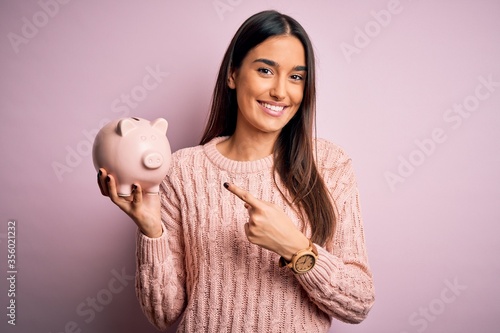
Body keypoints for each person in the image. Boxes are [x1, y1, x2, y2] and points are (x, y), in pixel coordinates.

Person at [97, 10, 375, 332]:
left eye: (296, 77)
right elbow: (163, 314)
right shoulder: (183, 171)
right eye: (266, 70)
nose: (281, 92)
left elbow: (358, 302)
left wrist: (295, 248)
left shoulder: (329, 165)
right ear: (232, 75)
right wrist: (150, 229)